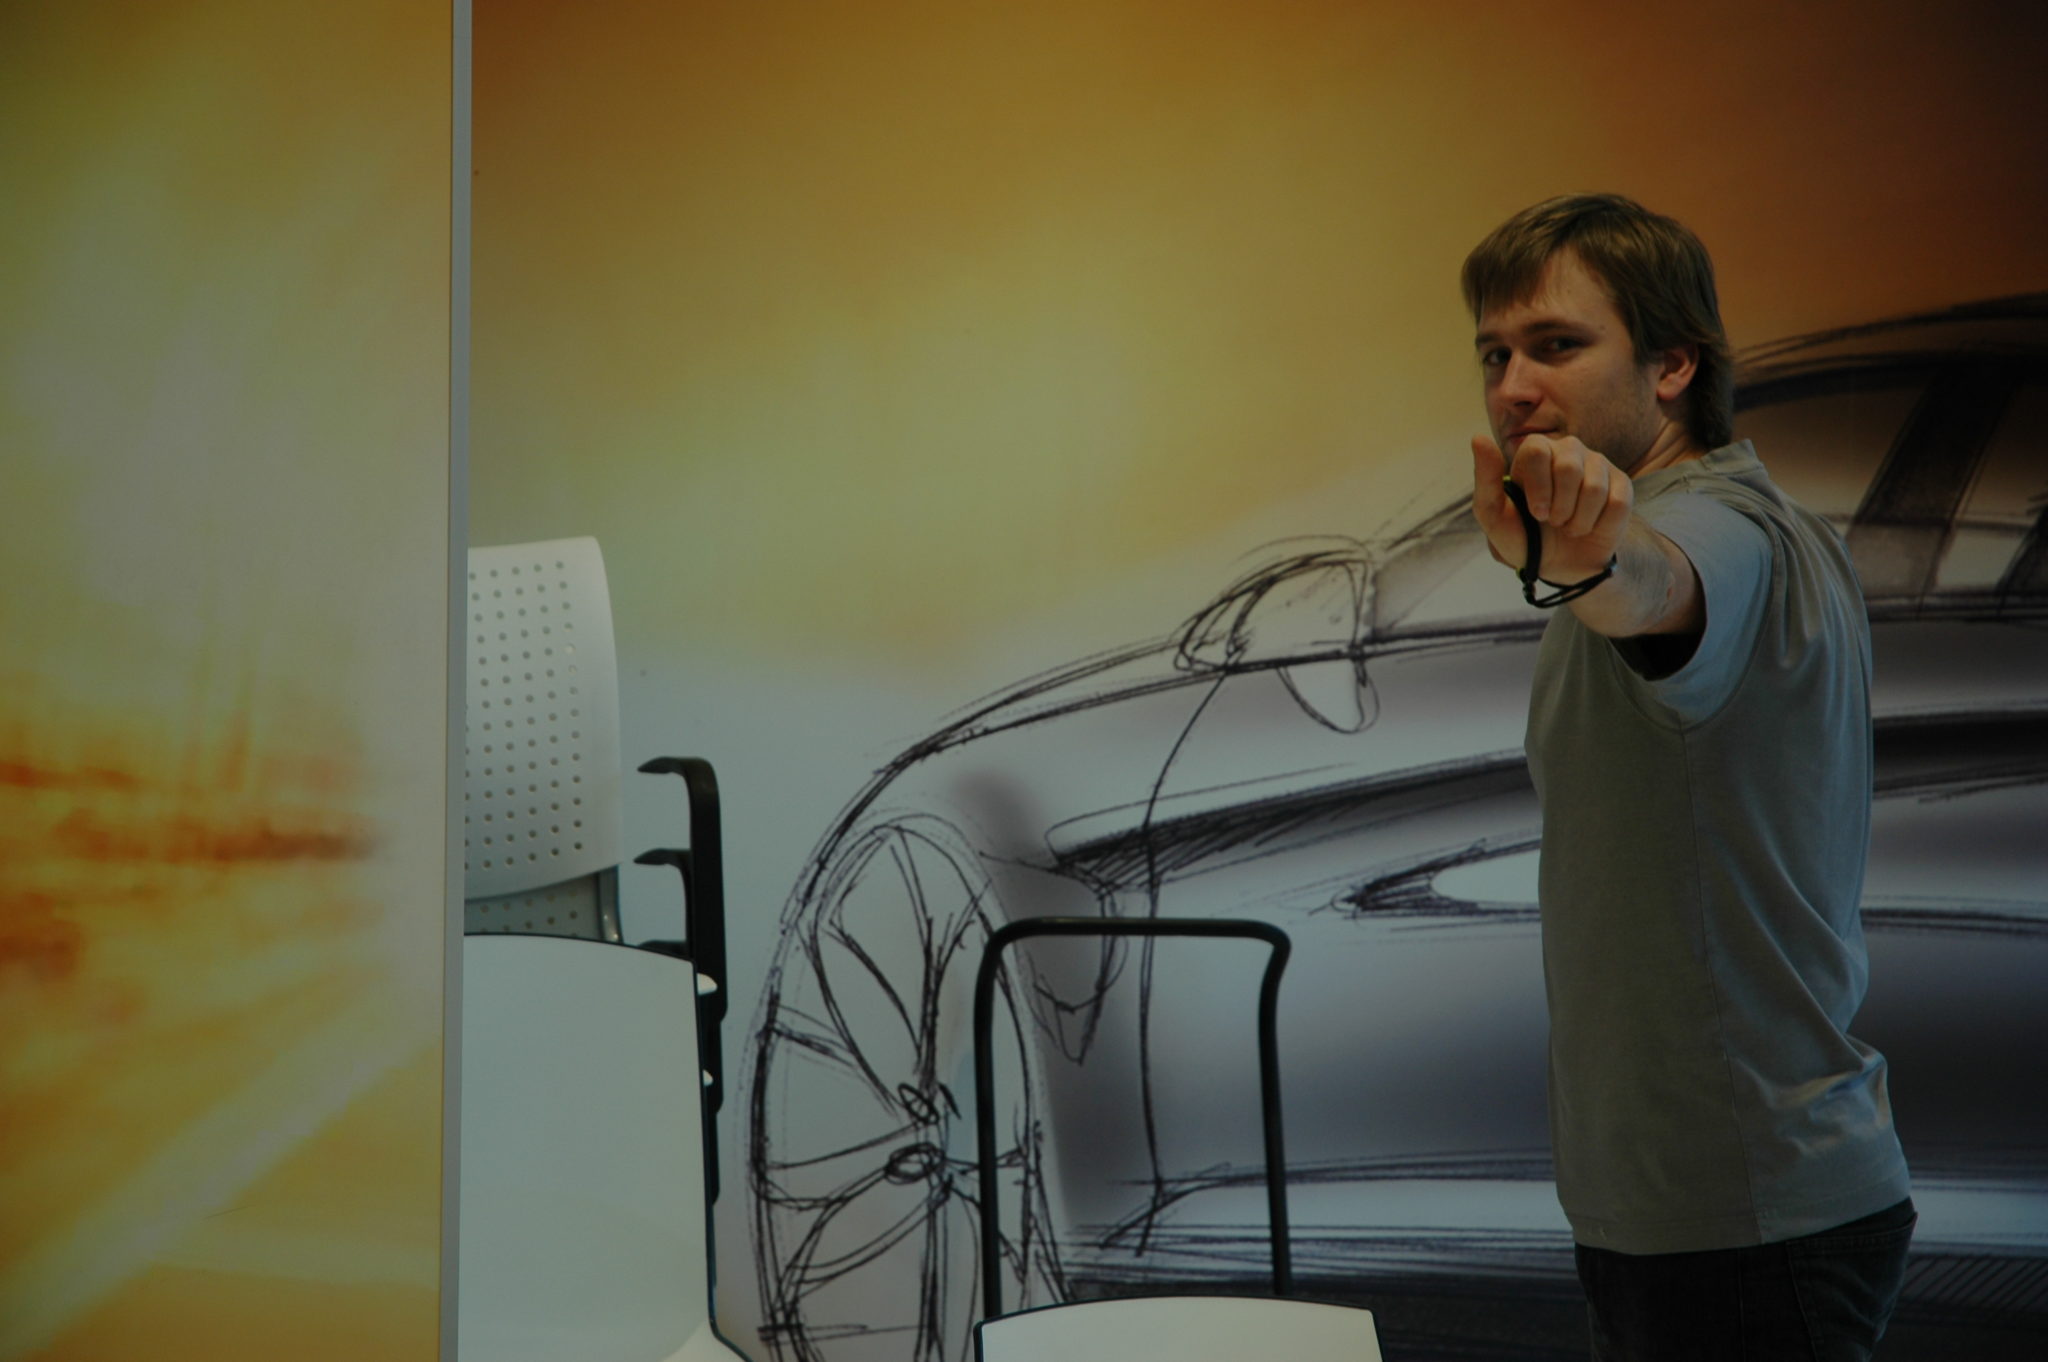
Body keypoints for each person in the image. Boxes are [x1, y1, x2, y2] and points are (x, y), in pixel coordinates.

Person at [1459, 194, 1915, 1360]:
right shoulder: (1759, 522)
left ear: (1671, 364)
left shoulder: (1719, 530)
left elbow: (1659, 586)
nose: (1512, 386)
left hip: (1740, 1228)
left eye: (1555, 345)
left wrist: (1597, 569)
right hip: (1714, 1216)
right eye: (1494, 354)